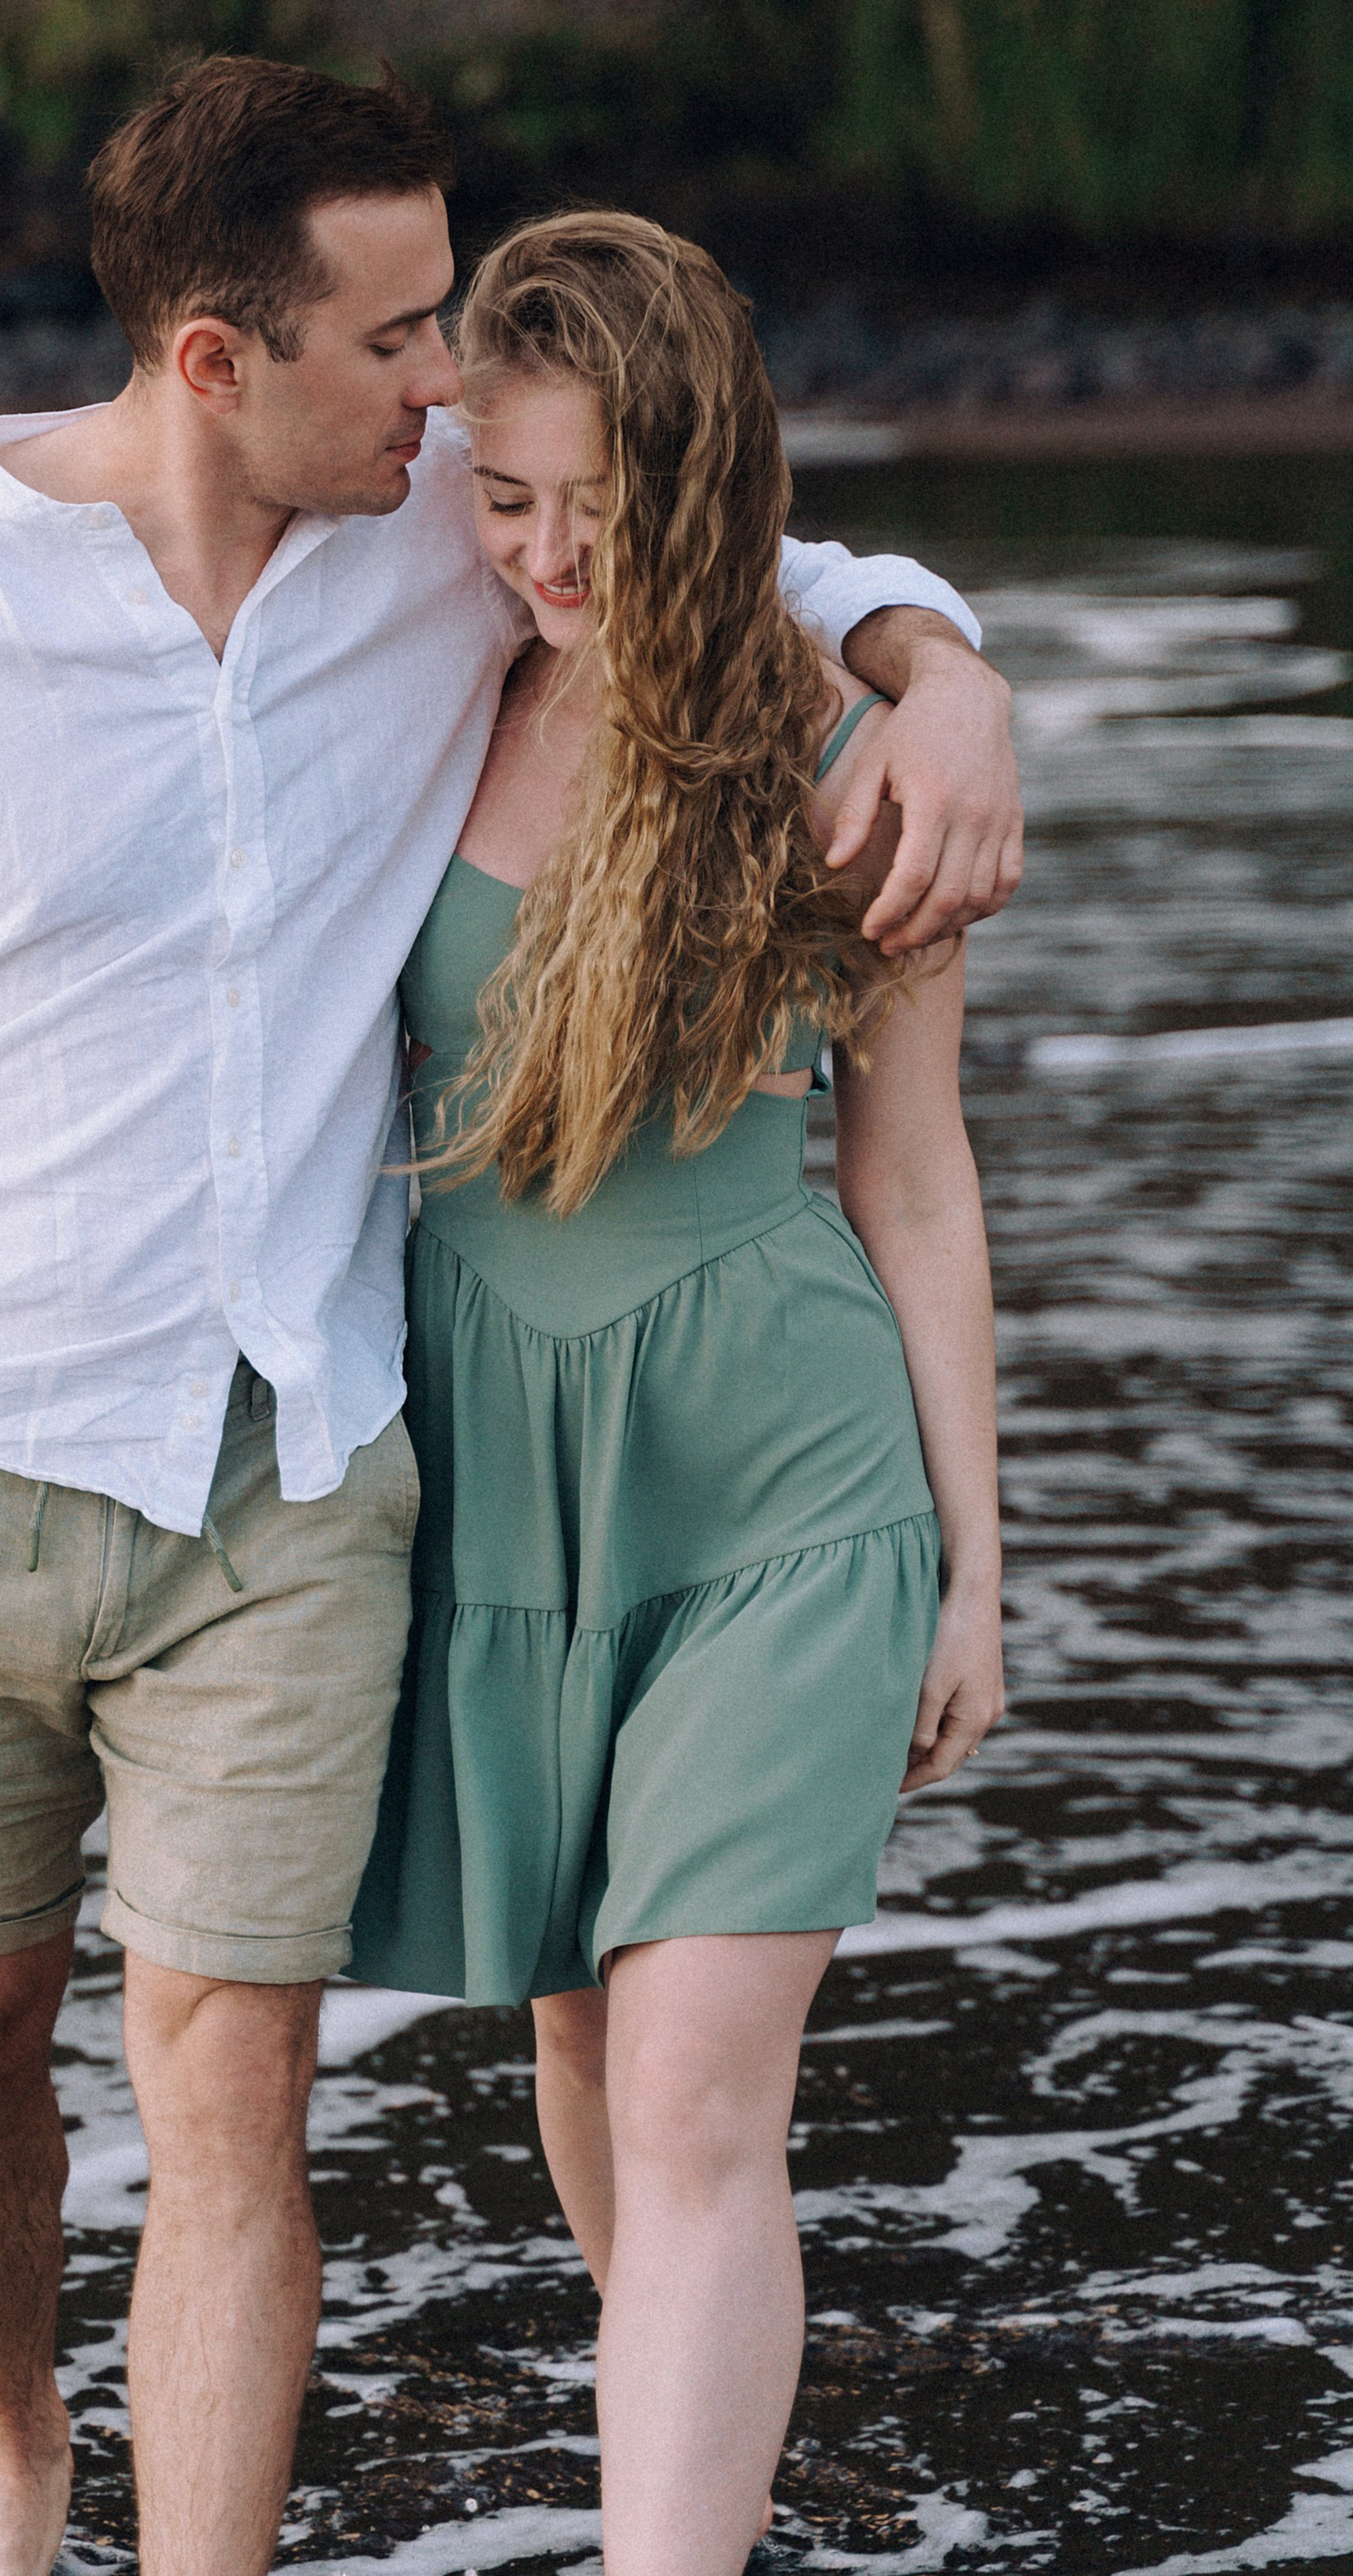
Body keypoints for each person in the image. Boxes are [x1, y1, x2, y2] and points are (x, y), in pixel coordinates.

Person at [0, 55, 1020, 2576]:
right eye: (397, 345)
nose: (445, 398)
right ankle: (19, 2453)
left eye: (447, 339)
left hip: (336, 1475)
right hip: (17, 1457)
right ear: (220, 357)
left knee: (290, 2095)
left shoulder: (464, 557)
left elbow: (727, 534)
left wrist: (955, 675)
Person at [343, 209, 1005, 2574]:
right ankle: (698, 2482)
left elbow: (912, 1177)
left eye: (601, 515)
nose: (546, 558)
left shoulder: (845, 751)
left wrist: (976, 1571)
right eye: (507, 498)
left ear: (705, 488)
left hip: (781, 1485)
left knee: (703, 2087)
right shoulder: (415, 679)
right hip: (495, 1480)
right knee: (582, 2043)